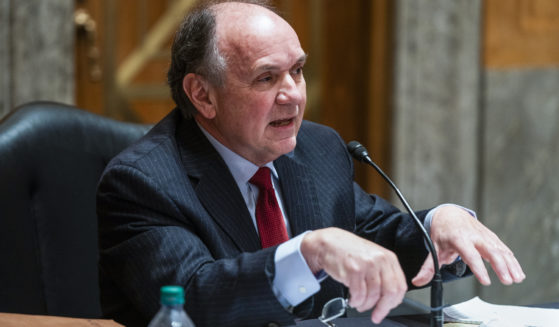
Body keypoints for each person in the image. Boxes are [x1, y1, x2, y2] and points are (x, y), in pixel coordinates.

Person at [96, 1, 525, 326]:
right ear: (202, 95)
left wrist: (438, 226)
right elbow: (194, 299)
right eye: (267, 78)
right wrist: (308, 252)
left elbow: (376, 240)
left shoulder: (317, 148)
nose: (294, 95)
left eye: (297, 71)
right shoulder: (142, 182)